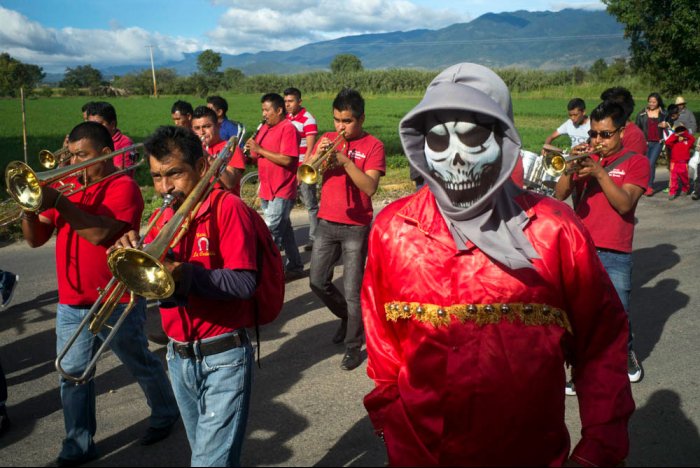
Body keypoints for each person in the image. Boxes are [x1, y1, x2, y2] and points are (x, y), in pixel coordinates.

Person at [362, 63, 634, 466]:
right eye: (438, 140)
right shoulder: (393, 230)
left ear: (504, 141)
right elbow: (384, 346)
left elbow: (601, 346)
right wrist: (391, 421)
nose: (454, 158)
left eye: (472, 137)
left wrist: (598, 451)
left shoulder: (554, 230)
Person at [20, 121, 180, 466]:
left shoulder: (123, 186)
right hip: (71, 299)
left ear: (106, 155)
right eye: (71, 154)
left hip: (114, 296)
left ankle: (166, 411)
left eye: (82, 156)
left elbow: (98, 234)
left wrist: (59, 202)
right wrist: (30, 206)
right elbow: (34, 239)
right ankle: (78, 443)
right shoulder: (65, 186)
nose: (74, 162)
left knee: (137, 360)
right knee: (72, 373)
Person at [112, 125, 259, 467]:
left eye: (175, 173)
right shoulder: (163, 216)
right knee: (207, 457)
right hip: (178, 357)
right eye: (157, 177)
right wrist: (129, 263)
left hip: (223, 355)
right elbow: (157, 289)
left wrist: (184, 274)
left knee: (208, 463)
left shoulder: (228, 207)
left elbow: (244, 284)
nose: (165, 187)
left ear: (203, 166)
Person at [555, 100, 649, 386]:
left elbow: (624, 204)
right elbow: (558, 195)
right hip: (581, 247)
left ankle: (625, 353)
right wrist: (569, 168)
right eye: (593, 134)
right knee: (580, 313)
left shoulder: (637, 161)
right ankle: (581, 368)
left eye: (605, 134)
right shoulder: (586, 159)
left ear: (621, 132)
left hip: (616, 251)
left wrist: (599, 173)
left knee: (617, 311)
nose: (597, 140)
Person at [309, 88, 385, 371]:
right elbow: (305, 171)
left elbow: (370, 187)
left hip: (356, 226)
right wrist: (316, 158)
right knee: (317, 282)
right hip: (327, 222)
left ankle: (353, 346)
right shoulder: (327, 139)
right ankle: (346, 317)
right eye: (337, 120)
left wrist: (346, 161)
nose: (340, 127)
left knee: (353, 291)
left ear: (361, 118)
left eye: (347, 121)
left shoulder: (374, 145)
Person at [245, 93, 304, 279]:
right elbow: (257, 156)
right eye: (262, 110)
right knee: (285, 230)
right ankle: (295, 265)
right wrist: (249, 153)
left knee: (271, 233)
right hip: (266, 188)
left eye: (267, 110)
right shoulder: (263, 128)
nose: (264, 114)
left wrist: (259, 149)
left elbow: (287, 159)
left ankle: (267, 274)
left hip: (282, 189)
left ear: (279, 110)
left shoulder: (288, 129)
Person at [284, 87, 319, 252]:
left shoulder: (308, 119)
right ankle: (286, 238)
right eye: (285, 101)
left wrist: (301, 171)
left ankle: (315, 238)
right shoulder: (285, 118)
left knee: (310, 204)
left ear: (299, 101)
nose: (287, 104)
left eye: (291, 101)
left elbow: (311, 149)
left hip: (303, 168)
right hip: (288, 168)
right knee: (285, 205)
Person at [191, 106, 246, 196]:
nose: (202, 132)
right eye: (197, 128)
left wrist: (209, 158)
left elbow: (230, 183)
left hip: (225, 204)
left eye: (207, 126)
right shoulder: (193, 150)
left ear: (218, 126)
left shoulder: (232, 149)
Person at [86, 101, 137, 172]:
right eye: (90, 125)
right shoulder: (88, 141)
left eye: (99, 125)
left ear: (112, 125)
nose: (93, 129)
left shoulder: (125, 143)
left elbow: (122, 173)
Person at [601, 86, 647, 156]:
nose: (602, 110)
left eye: (605, 107)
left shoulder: (635, 137)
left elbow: (632, 164)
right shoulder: (603, 130)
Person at [636, 93, 667, 196]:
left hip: (658, 143)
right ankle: (643, 185)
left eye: (654, 102)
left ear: (658, 102)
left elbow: (673, 124)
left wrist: (667, 124)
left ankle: (649, 186)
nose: (651, 104)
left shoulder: (664, 114)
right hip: (645, 143)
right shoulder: (642, 114)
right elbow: (637, 129)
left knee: (651, 163)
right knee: (645, 164)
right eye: (650, 102)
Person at [665, 124, 696, 199]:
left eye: (682, 134)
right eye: (679, 134)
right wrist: (675, 135)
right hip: (674, 163)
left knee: (684, 178)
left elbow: (693, 139)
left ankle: (685, 188)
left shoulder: (687, 142)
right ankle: (672, 192)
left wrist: (684, 134)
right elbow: (667, 142)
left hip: (683, 163)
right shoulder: (673, 143)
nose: (680, 137)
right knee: (673, 178)